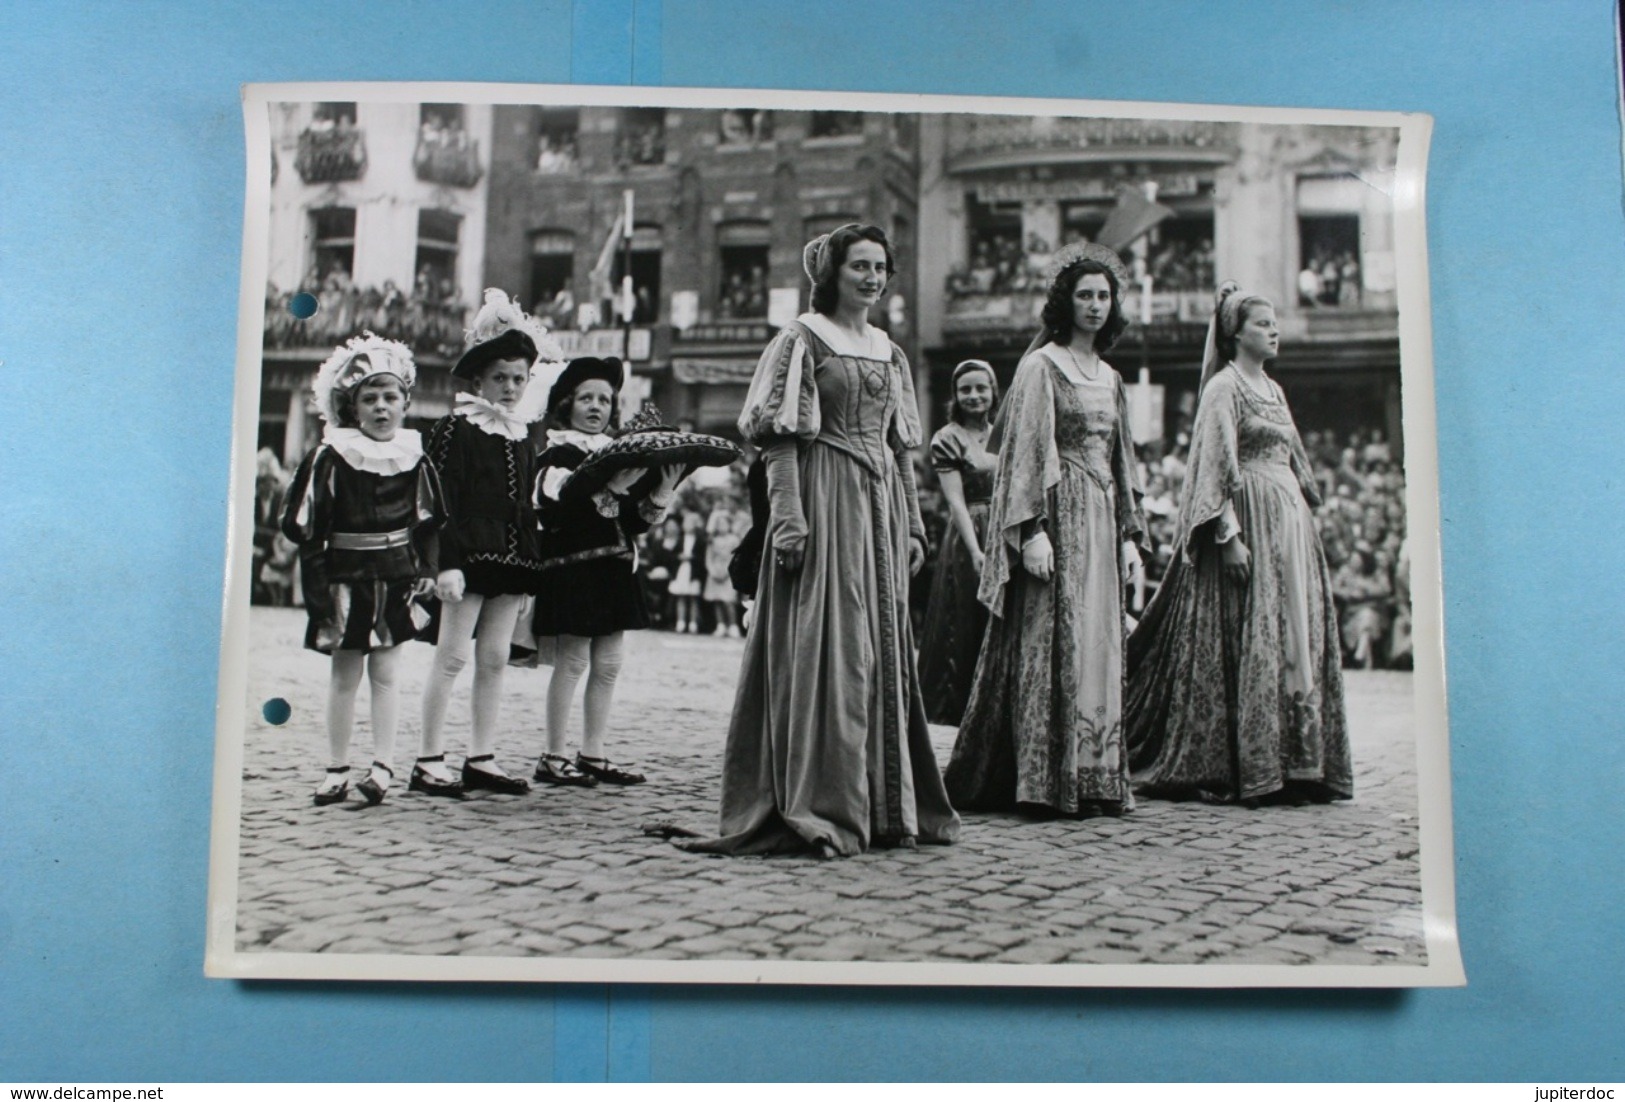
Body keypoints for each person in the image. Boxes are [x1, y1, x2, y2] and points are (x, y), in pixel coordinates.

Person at [677, 224, 960, 857]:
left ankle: (884, 803)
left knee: (879, 648)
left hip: (878, 506)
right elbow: (778, 439)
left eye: (881, 267)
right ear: (832, 273)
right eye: (860, 266)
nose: (873, 277)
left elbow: (899, 448)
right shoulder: (801, 340)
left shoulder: (890, 349)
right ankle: (826, 802)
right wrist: (790, 520)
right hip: (823, 498)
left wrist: (913, 523)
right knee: (828, 648)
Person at [1124, 283, 1352, 806]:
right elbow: (1214, 464)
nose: (1274, 331)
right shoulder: (1223, 388)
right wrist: (1227, 535)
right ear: (1234, 333)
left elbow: (1293, 458)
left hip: (1289, 523)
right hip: (1248, 517)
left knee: (1294, 630)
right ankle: (1254, 762)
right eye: (1262, 323)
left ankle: (1300, 761)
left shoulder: (1273, 388)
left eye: (1275, 323)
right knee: (1254, 632)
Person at [943, 243, 1148, 817]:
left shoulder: (1111, 376)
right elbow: (1027, 451)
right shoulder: (1041, 366)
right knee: (1053, 637)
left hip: (1104, 518)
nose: (1095, 305)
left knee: (1101, 639)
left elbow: (1121, 460)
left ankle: (1096, 773)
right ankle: (1042, 776)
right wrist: (1030, 530)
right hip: (1057, 515)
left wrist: (1131, 537)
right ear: (1065, 301)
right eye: (1084, 295)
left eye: (1103, 296)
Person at [280, 335, 443, 805]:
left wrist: (428, 568)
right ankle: (336, 768)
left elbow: (429, 520)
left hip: (395, 576)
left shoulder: (414, 456)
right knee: (344, 676)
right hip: (345, 578)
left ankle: (384, 765)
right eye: (369, 398)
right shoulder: (332, 457)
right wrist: (317, 592)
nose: (380, 408)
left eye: (390, 397)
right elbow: (306, 529)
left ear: (405, 403)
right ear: (352, 407)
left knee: (388, 675)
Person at [413, 290, 557, 798]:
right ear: (479, 380)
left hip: (510, 557)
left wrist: (529, 569)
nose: (511, 388)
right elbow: (439, 499)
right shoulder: (457, 428)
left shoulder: (522, 434)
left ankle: (482, 755)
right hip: (468, 555)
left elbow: (526, 507)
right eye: (501, 378)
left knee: (494, 657)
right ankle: (428, 759)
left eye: (519, 379)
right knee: (451, 656)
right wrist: (445, 563)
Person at [525, 357, 683, 788]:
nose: (596, 407)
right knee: (573, 662)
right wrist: (607, 487)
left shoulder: (617, 454)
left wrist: (661, 490)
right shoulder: (558, 453)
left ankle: (593, 752)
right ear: (566, 404)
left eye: (605, 400)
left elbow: (630, 522)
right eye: (586, 398)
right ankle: (553, 754)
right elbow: (555, 508)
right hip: (574, 569)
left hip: (614, 570)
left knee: (610, 663)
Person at [915, 359, 1000, 727]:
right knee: (964, 621)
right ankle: (957, 707)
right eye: (965, 389)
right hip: (971, 533)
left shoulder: (1003, 434)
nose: (974, 396)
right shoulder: (947, 438)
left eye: (981, 388)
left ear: (993, 391)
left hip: (1002, 528)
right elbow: (956, 502)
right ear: (955, 395)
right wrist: (976, 550)